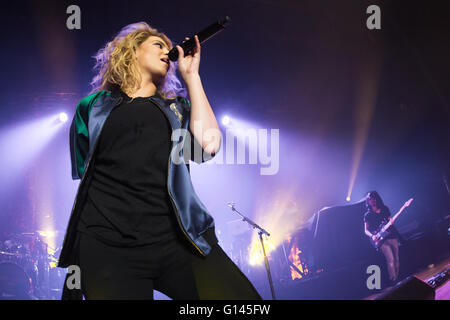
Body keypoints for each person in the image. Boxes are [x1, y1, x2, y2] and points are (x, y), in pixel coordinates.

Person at [57, 22, 261, 300]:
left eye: (168, 48)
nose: (167, 51)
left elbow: (209, 145)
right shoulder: (92, 107)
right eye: (158, 45)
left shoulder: (176, 108)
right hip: (108, 244)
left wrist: (192, 78)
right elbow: (84, 168)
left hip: (177, 239)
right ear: (131, 51)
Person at [364, 191, 401, 283]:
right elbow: (366, 230)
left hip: (391, 236)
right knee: (391, 260)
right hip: (380, 240)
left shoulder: (384, 208)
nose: (372, 201)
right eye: (370, 199)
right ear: (368, 201)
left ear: (377, 199)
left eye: (373, 199)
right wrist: (372, 236)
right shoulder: (368, 215)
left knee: (396, 259)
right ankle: (394, 280)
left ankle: (398, 279)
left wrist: (391, 221)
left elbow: (389, 220)